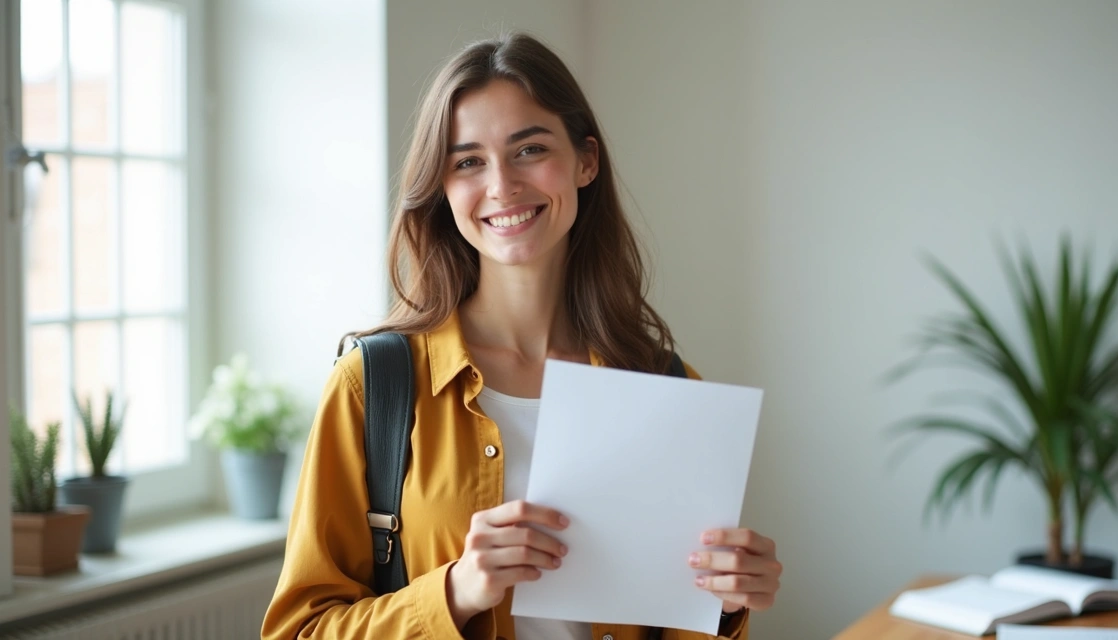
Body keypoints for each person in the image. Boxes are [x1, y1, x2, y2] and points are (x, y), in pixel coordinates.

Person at [261, 32, 782, 640]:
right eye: (467, 161)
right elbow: (298, 631)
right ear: (443, 187)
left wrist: (722, 608)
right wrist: (456, 592)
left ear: (586, 160)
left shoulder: (666, 385)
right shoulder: (370, 386)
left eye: (529, 148)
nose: (502, 185)